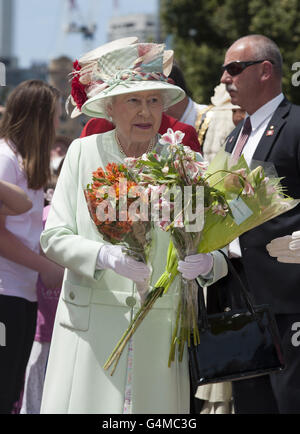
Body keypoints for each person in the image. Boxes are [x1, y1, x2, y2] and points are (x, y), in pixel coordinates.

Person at [39, 40, 227, 414]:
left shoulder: (182, 160)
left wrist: (209, 265)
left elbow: (214, 244)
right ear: (110, 107)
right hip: (90, 332)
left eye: (154, 100)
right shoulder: (84, 153)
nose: (146, 112)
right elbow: (53, 238)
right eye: (133, 101)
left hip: (160, 334)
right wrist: (103, 255)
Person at [205, 34, 300, 414]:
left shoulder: (294, 126)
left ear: (265, 71)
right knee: (250, 403)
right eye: (224, 70)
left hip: (287, 297)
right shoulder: (234, 136)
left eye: (233, 68)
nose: (225, 78)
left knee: (288, 401)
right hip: (237, 292)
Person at [0, 80, 65, 414]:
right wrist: (46, 266)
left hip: (22, 293)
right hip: (5, 294)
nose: (58, 124)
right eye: (54, 116)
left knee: (12, 392)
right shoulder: (5, 160)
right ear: (38, 118)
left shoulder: (22, 161)